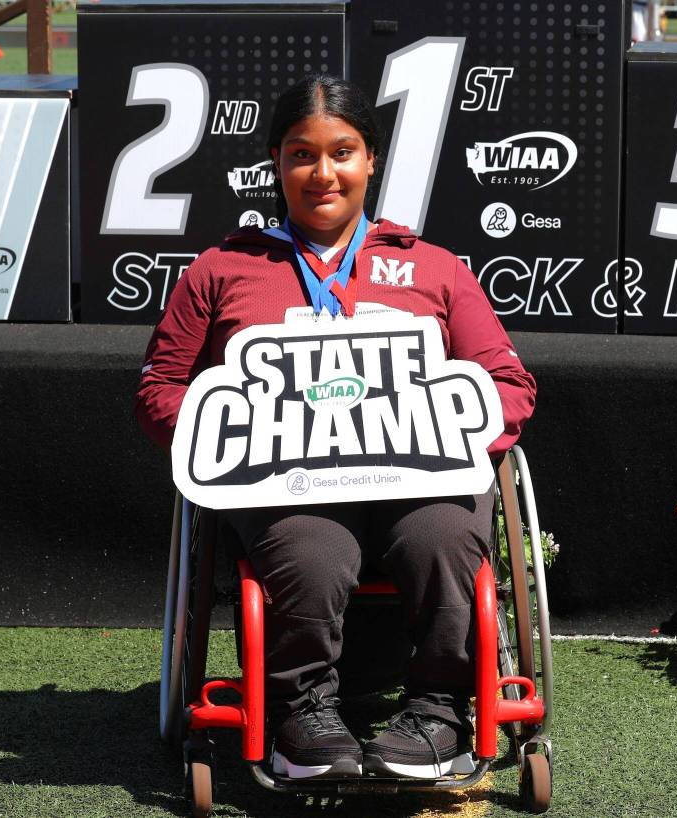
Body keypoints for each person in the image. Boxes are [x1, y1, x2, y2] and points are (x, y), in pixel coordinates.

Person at [135, 76, 537, 781]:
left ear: (370, 159)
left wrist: (450, 428)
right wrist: (226, 430)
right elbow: (159, 390)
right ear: (275, 162)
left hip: (418, 480)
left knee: (444, 536)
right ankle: (301, 712)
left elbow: (510, 386)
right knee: (312, 552)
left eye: (342, 152)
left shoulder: (433, 267)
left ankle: (440, 709)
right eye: (302, 154)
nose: (323, 173)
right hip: (288, 484)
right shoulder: (222, 270)